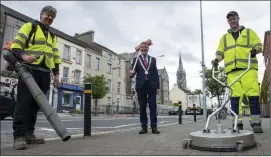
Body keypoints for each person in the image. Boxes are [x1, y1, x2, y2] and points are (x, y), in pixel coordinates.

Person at [10, 6, 62, 150]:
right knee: (24, 103)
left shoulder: (52, 36)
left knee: (35, 105)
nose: (50, 18)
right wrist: (24, 56)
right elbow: (16, 46)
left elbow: (55, 56)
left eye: (52, 17)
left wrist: (57, 74)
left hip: (45, 73)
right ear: (41, 15)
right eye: (48, 15)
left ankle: (29, 134)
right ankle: (19, 136)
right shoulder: (29, 27)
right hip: (29, 70)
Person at [212, 11, 263, 133]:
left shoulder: (249, 33)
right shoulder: (224, 38)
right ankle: (237, 122)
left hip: (248, 69)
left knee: (253, 95)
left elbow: (259, 45)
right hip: (232, 72)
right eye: (230, 20)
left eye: (234, 18)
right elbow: (220, 53)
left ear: (238, 19)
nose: (232, 21)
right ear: (228, 22)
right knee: (235, 98)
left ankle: (256, 123)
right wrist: (216, 60)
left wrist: (255, 51)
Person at [130, 41, 160, 134]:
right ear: (140, 49)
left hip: (151, 86)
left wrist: (157, 87)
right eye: (142, 47)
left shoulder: (153, 59)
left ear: (148, 49)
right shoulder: (136, 60)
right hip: (140, 86)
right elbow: (132, 73)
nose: (144, 49)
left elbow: (156, 74)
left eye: (146, 48)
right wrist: (131, 73)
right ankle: (144, 127)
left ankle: (154, 127)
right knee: (142, 107)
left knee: (153, 107)